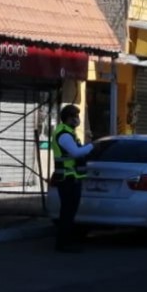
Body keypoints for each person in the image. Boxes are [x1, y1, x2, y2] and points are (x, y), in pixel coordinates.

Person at [51, 104, 93, 253]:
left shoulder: (68, 133)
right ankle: (63, 244)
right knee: (68, 212)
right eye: (75, 117)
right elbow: (75, 153)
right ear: (69, 118)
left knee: (68, 212)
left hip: (70, 178)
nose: (77, 120)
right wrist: (90, 147)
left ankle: (65, 242)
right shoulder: (65, 135)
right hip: (68, 179)